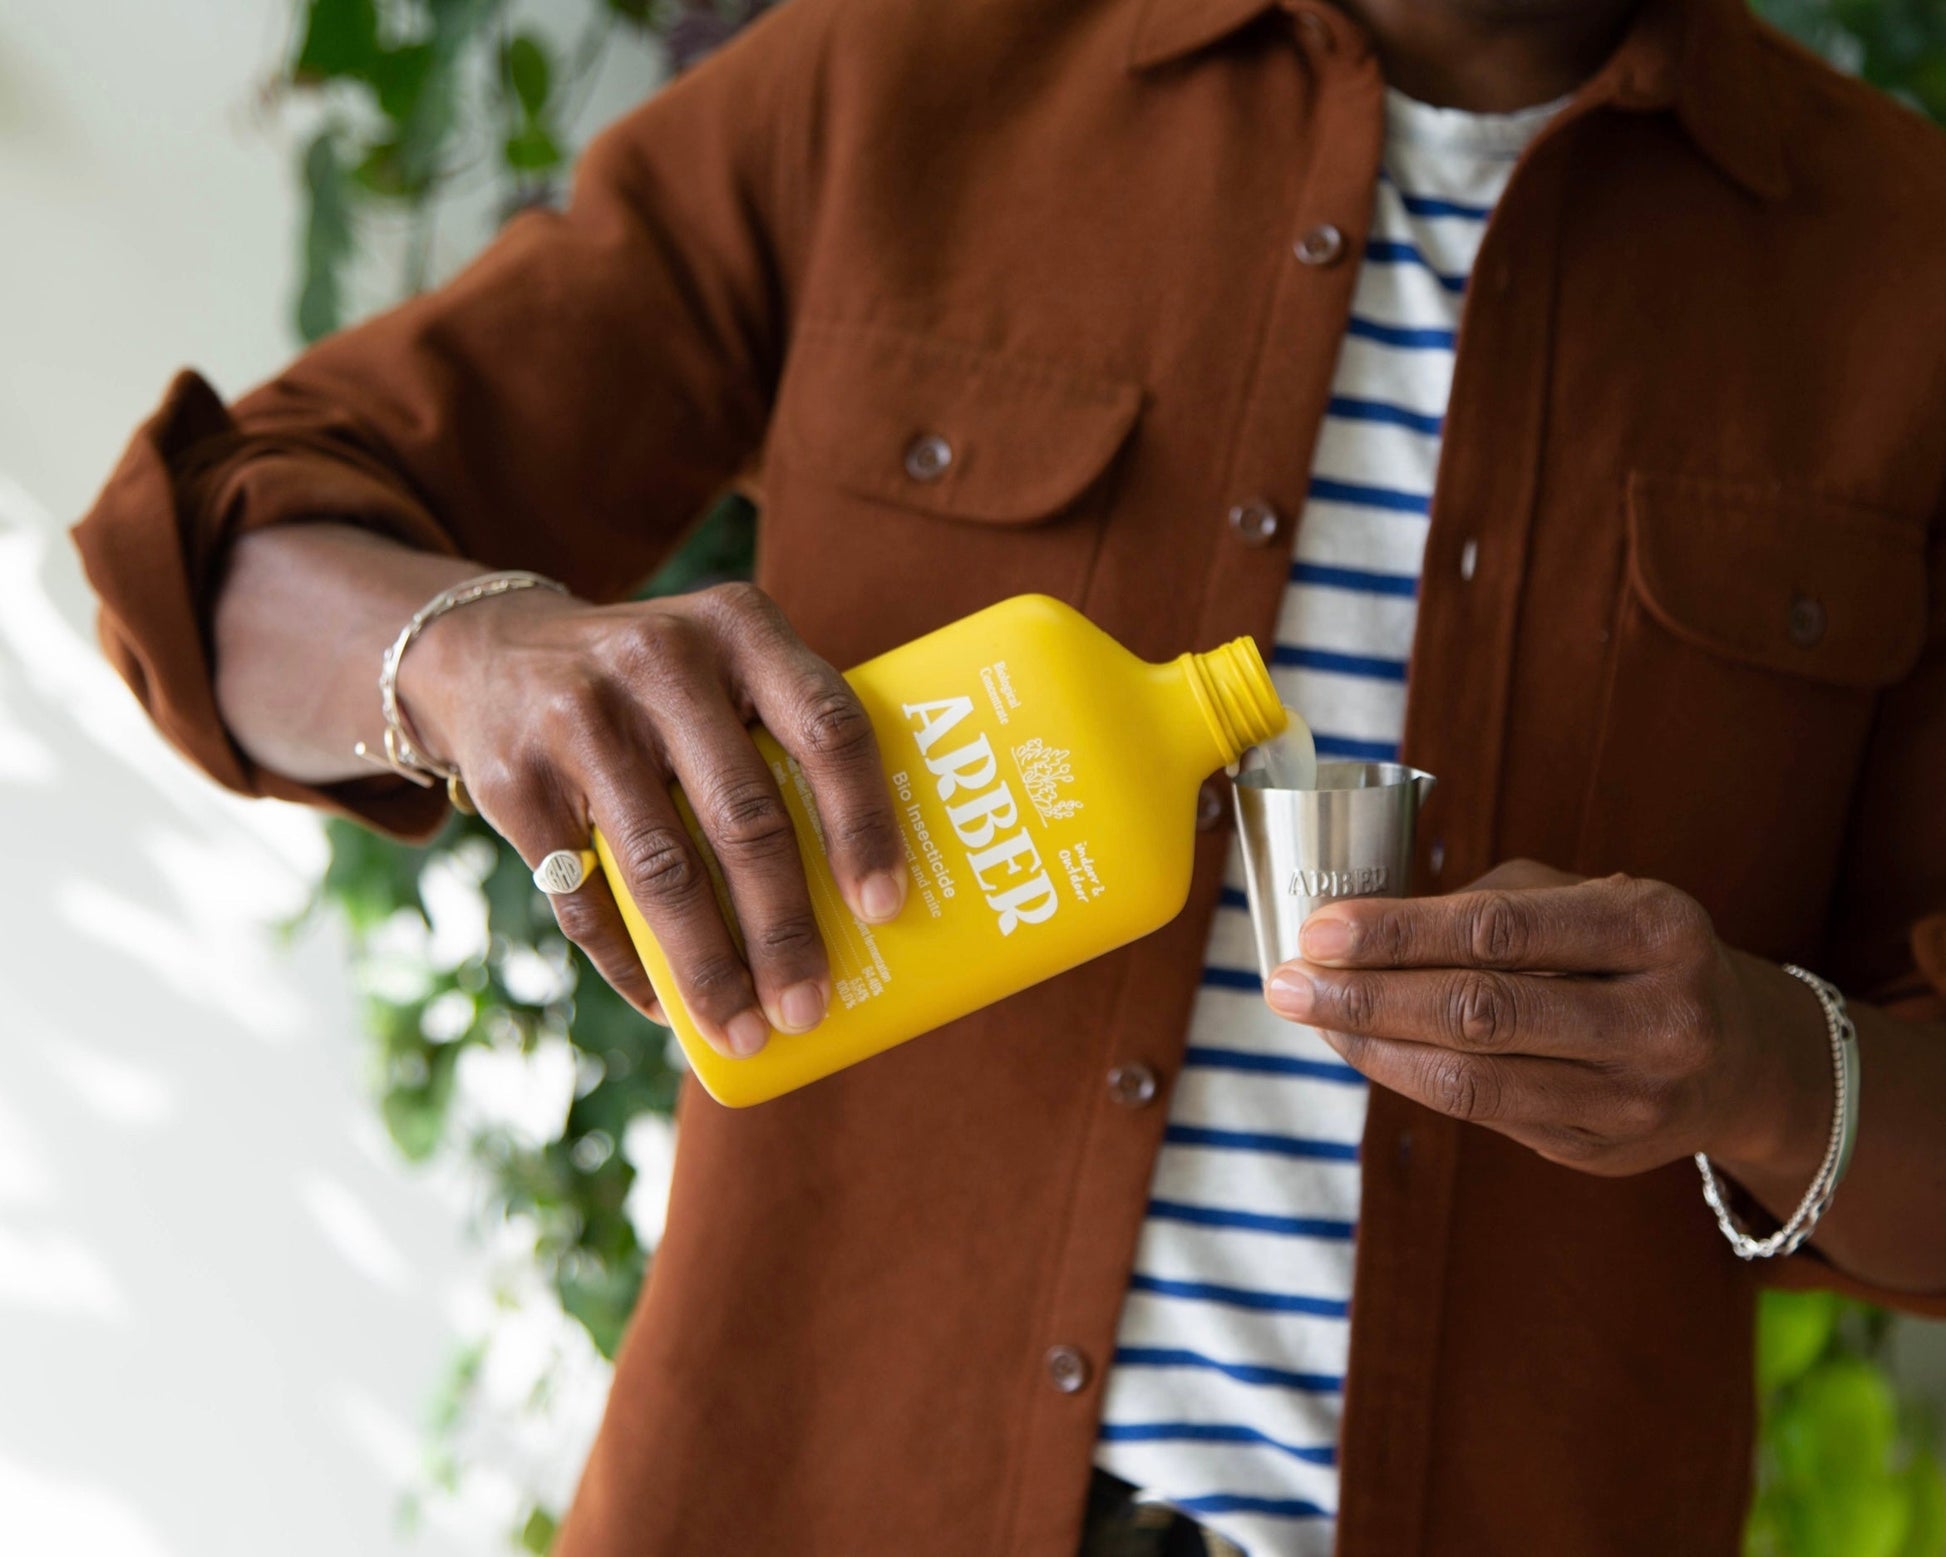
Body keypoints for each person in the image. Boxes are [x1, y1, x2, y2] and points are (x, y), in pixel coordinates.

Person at [72, 0, 1946, 1549]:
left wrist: (1763, 1063)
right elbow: (208, 555)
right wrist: (465, 657)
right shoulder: (901, 73)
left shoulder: (1901, 273)